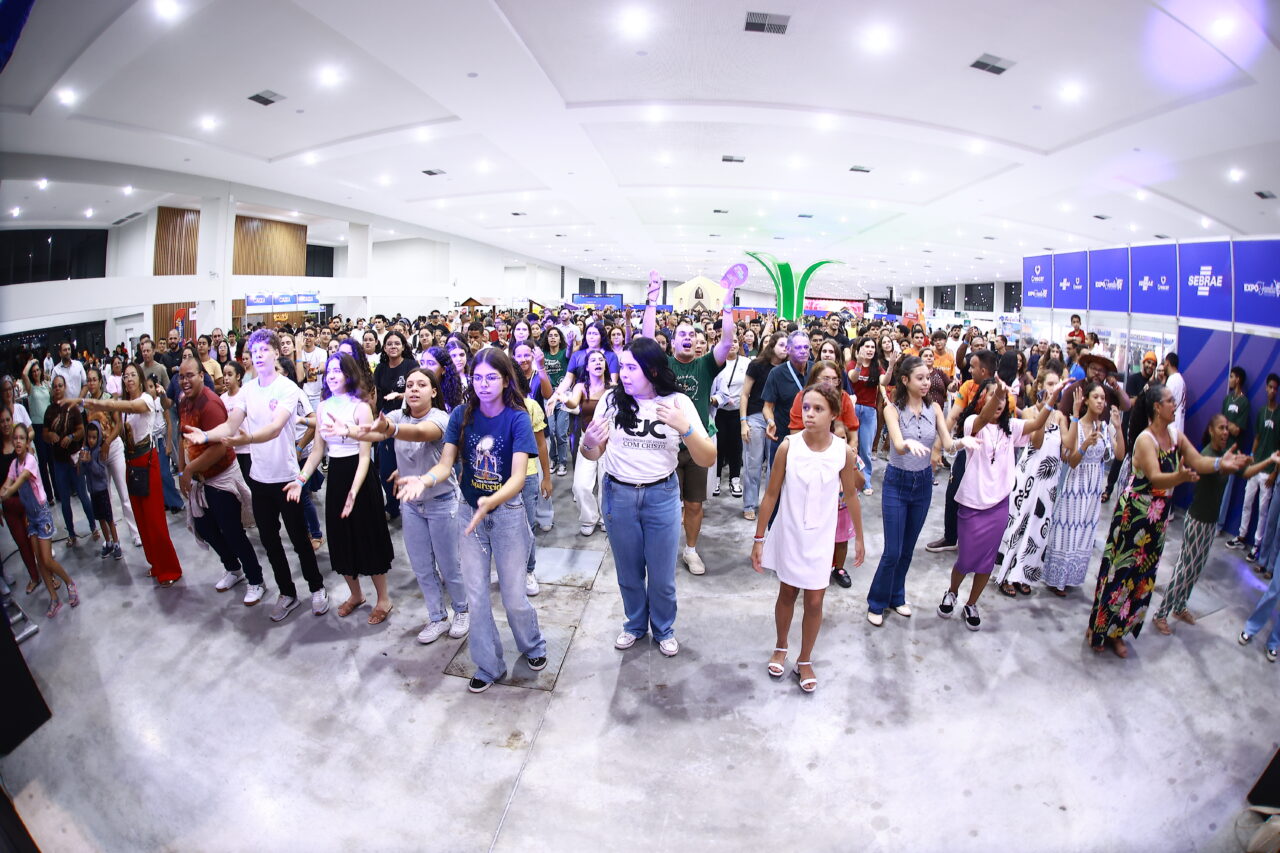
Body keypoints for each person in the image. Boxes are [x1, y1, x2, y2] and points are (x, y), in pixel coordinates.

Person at [398, 348, 547, 693]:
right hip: (469, 516)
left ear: (506, 380)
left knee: (513, 597)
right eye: (477, 377)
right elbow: (445, 464)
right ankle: (488, 664)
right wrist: (425, 480)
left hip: (507, 515)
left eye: (491, 377)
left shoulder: (517, 418)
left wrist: (491, 501)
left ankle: (532, 643)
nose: (483, 384)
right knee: (477, 597)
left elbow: (518, 477)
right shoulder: (461, 415)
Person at [1088, 384, 1248, 658]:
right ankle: (1100, 628)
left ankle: (1119, 632)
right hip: (1135, 515)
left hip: (1157, 518)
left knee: (1141, 578)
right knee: (1120, 573)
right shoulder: (1145, 439)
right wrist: (1180, 477)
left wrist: (1220, 464)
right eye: (1170, 401)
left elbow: (1198, 460)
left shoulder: (1175, 435)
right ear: (1157, 407)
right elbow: (1155, 477)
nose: (1175, 405)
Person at [581, 337, 715, 657]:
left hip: (661, 495)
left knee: (662, 576)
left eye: (631, 368)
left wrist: (685, 428)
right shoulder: (611, 401)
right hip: (619, 495)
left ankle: (664, 628)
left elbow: (708, 457)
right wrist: (588, 443)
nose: (623, 374)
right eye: (622, 367)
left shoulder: (678, 402)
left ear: (652, 370)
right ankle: (635, 624)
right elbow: (593, 453)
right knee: (628, 572)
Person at [186, 330, 329, 622]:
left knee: (299, 540)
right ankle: (287, 593)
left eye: (265, 350)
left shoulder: (287, 388)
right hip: (259, 480)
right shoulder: (248, 390)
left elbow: (275, 428)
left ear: (276, 353)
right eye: (255, 351)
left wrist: (247, 439)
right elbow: (230, 426)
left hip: (287, 478)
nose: (259, 355)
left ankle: (317, 588)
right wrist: (206, 435)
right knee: (270, 541)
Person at [752, 383, 864, 693]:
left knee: (815, 600)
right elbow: (771, 494)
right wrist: (759, 538)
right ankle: (781, 645)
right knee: (787, 592)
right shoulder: (789, 447)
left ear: (833, 414)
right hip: (790, 532)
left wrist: (859, 537)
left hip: (821, 536)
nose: (810, 414)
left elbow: (851, 495)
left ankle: (805, 658)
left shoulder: (842, 452)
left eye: (818, 409)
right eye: (806, 407)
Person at [356, 368, 470, 644]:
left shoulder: (440, 419)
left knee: (449, 565)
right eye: (409, 385)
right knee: (421, 566)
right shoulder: (398, 416)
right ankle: (437, 617)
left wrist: (390, 429)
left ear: (433, 391)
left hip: (442, 502)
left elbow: (419, 433)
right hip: (411, 505)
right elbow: (376, 434)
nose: (414, 389)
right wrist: (350, 430)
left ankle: (462, 610)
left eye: (421, 384)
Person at [642, 268, 741, 576]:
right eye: (681, 335)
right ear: (672, 343)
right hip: (664, 445)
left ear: (698, 342)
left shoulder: (706, 365)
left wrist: (728, 305)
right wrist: (651, 301)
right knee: (666, 506)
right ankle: (663, 550)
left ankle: (691, 550)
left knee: (695, 504)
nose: (687, 339)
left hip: (696, 444)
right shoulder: (663, 365)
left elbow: (727, 340)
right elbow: (646, 339)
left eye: (691, 336)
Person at [939, 378, 1055, 630]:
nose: (999, 402)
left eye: (1002, 398)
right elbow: (983, 418)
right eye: (992, 396)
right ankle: (952, 591)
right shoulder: (973, 423)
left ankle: (971, 603)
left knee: (986, 563)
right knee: (966, 559)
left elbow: (1036, 425)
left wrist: (1050, 403)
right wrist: (999, 393)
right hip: (972, 503)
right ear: (982, 398)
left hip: (999, 506)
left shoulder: (1011, 428)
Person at [867, 356, 974, 625]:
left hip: (923, 483)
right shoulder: (892, 410)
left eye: (928, 377)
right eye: (921, 378)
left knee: (907, 549)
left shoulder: (934, 408)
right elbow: (897, 442)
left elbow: (948, 445)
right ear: (905, 380)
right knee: (892, 551)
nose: (927, 382)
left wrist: (964, 442)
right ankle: (877, 601)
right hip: (897, 482)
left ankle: (897, 596)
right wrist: (907, 445)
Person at [1153, 417, 1277, 635]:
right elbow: (1215, 467)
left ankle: (1180, 607)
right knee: (1184, 570)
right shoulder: (1208, 455)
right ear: (1211, 431)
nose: (1225, 432)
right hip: (1197, 521)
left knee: (1196, 569)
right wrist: (1227, 463)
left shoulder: (1225, 455)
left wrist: (1269, 460)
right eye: (1221, 428)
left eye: (1227, 428)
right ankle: (1161, 613)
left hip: (1210, 523)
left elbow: (1247, 473)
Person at [296, 354, 396, 623]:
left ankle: (383, 599)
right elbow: (318, 450)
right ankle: (356, 594)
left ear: (349, 374)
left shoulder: (361, 407)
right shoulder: (322, 406)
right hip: (337, 476)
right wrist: (301, 479)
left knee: (368, 536)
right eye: (329, 370)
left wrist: (354, 490)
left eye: (337, 370)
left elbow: (365, 455)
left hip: (361, 478)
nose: (331, 375)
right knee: (341, 536)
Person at [80, 364, 185, 587]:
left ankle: (170, 569)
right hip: (131, 464)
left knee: (155, 520)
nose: (129, 379)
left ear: (140, 378)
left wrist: (100, 403)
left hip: (147, 461)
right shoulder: (126, 408)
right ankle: (155, 563)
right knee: (142, 519)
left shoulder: (145, 400)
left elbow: (128, 405)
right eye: (126, 376)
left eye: (133, 375)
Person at [176, 355, 264, 601]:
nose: (185, 381)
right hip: (199, 479)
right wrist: (183, 471)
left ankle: (256, 579)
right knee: (206, 528)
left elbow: (220, 447)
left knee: (232, 531)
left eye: (190, 375)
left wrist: (190, 470)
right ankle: (233, 568)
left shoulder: (210, 404)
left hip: (221, 477)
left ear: (201, 376)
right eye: (181, 376)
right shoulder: (184, 401)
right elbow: (183, 438)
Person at [1042, 382, 1126, 596]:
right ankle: (1056, 579)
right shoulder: (1077, 425)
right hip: (1075, 486)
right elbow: (1071, 461)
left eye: (1103, 398)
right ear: (1086, 400)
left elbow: (1119, 455)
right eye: (1096, 397)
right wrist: (1085, 444)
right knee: (1067, 529)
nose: (1100, 401)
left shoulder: (1105, 427)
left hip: (1093, 488)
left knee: (1083, 532)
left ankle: (1071, 577)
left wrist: (1118, 427)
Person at [993, 363, 1066, 597]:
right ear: (1040, 386)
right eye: (1050, 384)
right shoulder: (1029, 413)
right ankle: (1006, 574)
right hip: (1029, 476)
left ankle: (1023, 574)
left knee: (1037, 528)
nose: (1054, 388)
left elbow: (1067, 450)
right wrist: (1046, 407)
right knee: (1018, 521)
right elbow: (1036, 442)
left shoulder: (1061, 416)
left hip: (1050, 480)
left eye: (1057, 384)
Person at [1, 424, 79, 617]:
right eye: (15, 438)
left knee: (47, 559)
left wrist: (6, 494)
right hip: (31, 517)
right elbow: (6, 484)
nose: (18, 442)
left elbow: (17, 484)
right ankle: (54, 598)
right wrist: (3, 492)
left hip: (42, 515)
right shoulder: (14, 465)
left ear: (27, 441)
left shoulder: (29, 462)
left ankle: (70, 583)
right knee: (40, 562)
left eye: (22, 438)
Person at [511, 341, 554, 592]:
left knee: (526, 526)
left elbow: (541, 445)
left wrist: (546, 477)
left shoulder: (531, 406)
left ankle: (528, 570)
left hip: (527, 476)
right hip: (499, 478)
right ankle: (509, 570)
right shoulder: (490, 410)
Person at [43, 376, 96, 545]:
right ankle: (71, 534)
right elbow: (44, 433)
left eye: (60, 385)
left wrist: (71, 436)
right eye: (55, 386)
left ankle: (93, 526)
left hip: (74, 460)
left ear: (64, 387)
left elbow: (82, 430)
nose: (58, 388)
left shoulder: (72, 408)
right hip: (59, 462)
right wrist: (50, 435)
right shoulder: (49, 411)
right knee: (64, 501)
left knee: (83, 496)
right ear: (52, 389)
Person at [739, 332, 786, 521]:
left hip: (778, 419)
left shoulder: (788, 367)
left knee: (775, 465)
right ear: (772, 346)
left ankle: (770, 503)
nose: (785, 349)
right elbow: (745, 394)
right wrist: (743, 422)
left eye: (788, 346)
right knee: (753, 464)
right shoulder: (757, 365)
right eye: (781, 345)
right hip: (756, 416)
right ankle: (749, 504)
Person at [564, 350, 611, 536]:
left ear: (605, 365)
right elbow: (573, 403)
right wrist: (563, 398)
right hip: (587, 439)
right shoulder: (581, 386)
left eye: (601, 360)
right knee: (581, 485)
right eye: (593, 360)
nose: (598, 362)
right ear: (588, 366)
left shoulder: (613, 388)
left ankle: (606, 518)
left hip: (609, 442)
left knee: (607, 484)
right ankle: (589, 518)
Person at [1231, 374, 1279, 553]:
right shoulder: (1261, 411)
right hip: (1256, 465)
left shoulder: (1279, 415)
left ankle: (1257, 544)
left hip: (1269, 470)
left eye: (1275, 388)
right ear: (1266, 388)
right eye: (1270, 387)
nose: (1272, 391)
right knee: (1247, 502)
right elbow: (1257, 437)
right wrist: (1251, 458)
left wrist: (1275, 472)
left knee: (1263, 510)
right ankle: (1241, 536)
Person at [1104, 351, 1156, 502]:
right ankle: (1108, 489)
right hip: (1128, 425)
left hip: (1143, 429)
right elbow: (1129, 403)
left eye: (1153, 364)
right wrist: (1144, 392)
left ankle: (1130, 494)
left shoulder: (1153, 385)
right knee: (1120, 458)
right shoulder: (1134, 379)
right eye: (1148, 362)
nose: (1150, 366)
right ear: (1143, 363)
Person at [373, 331, 414, 521]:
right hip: (386, 421)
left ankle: (411, 506)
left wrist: (399, 395)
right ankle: (392, 505)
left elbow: (418, 390)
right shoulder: (381, 368)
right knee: (386, 469)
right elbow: (375, 395)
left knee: (408, 465)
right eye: (389, 344)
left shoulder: (411, 365)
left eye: (397, 343)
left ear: (403, 346)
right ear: (384, 347)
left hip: (408, 420)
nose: (393, 347)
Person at [0, 409, 40, 592]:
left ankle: (47, 573)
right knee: (22, 544)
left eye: (8, 420)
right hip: (9, 506)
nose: (5, 424)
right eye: (2, 421)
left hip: (27, 501)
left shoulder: (21, 443)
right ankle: (34, 576)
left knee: (36, 541)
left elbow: (29, 474)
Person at [78, 422, 121, 560]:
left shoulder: (100, 452)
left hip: (102, 491)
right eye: (89, 437)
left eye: (94, 437)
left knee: (109, 519)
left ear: (99, 438)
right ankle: (108, 542)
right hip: (93, 492)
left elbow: (100, 473)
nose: (91, 440)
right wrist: (81, 461)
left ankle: (116, 544)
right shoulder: (87, 451)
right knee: (101, 519)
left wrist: (90, 461)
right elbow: (82, 472)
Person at [711, 334, 746, 499]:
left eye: (735, 341)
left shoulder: (746, 363)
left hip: (737, 412)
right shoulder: (715, 362)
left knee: (736, 447)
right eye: (729, 342)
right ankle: (716, 479)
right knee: (719, 446)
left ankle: (735, 479)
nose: (732, 344)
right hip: (718, 412)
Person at [1216, 366, 1250, 534]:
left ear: (1238, 379)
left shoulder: (1244, 403)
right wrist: (1227, 425)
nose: (1229, 380)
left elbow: (1237, 430)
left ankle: (1219, 525)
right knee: (1216, 486)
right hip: (1221, 451)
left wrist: (1226, 423)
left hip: (1233, 453)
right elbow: (1221, 425)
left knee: (1226, 491)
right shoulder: (1227, 399)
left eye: (1231, 377)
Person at [847, 336, 883, 496]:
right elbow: (853, 378)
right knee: (851, 447)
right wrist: (859, 364)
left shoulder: (877, 367)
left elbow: (884, 381)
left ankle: (865, 480)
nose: (870, 349)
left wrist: (890, 368)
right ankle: (850, 480)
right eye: (866, 346)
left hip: (869, 411)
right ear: (859, 348)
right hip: (853, 409)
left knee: (866, 449)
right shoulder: (852, 364)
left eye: (872, 347)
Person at [20, 358, 56, 503]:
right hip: (37, 427)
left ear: (40, 371)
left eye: (37, 370)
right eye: (33, 371)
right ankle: (49, 495)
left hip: (49, 425)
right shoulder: (30, 388)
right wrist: (31, 362)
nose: (35, 373)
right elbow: (23, 374)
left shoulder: (46, 385)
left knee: (52, 460)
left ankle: (58, 492)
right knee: (43, 462)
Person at [539, 326, 571, 476]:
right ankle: (553, 459)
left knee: (561, 433)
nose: (552, 338)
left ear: (560, 338)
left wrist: (571, 343)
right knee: (551, 432)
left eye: (556, 335)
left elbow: (570, 352)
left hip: (563, 396)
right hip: (548, 397)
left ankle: (563, 462)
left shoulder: (564, 353)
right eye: (550, 335)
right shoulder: (543, 354)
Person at [1163, 353, 1185, 437]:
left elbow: (1166, 402)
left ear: (1167, 362)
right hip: (1178, 426)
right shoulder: (1180, 379)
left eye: (1164, 363)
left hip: (1173, 427)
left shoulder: (1172, 379)